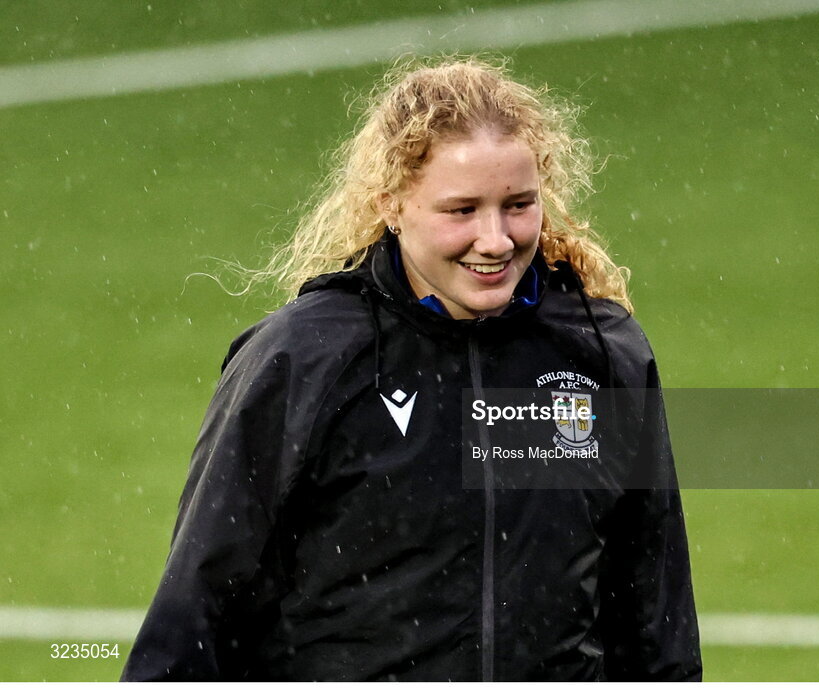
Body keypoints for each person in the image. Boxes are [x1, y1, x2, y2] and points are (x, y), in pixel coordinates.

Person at [122, 56, 701, 681]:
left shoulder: (600, 351)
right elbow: (201, 595)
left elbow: (653, 603)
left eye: (518, 204)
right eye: (461, 210)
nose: (496, 239)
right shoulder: (305, 358)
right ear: (391, 205)